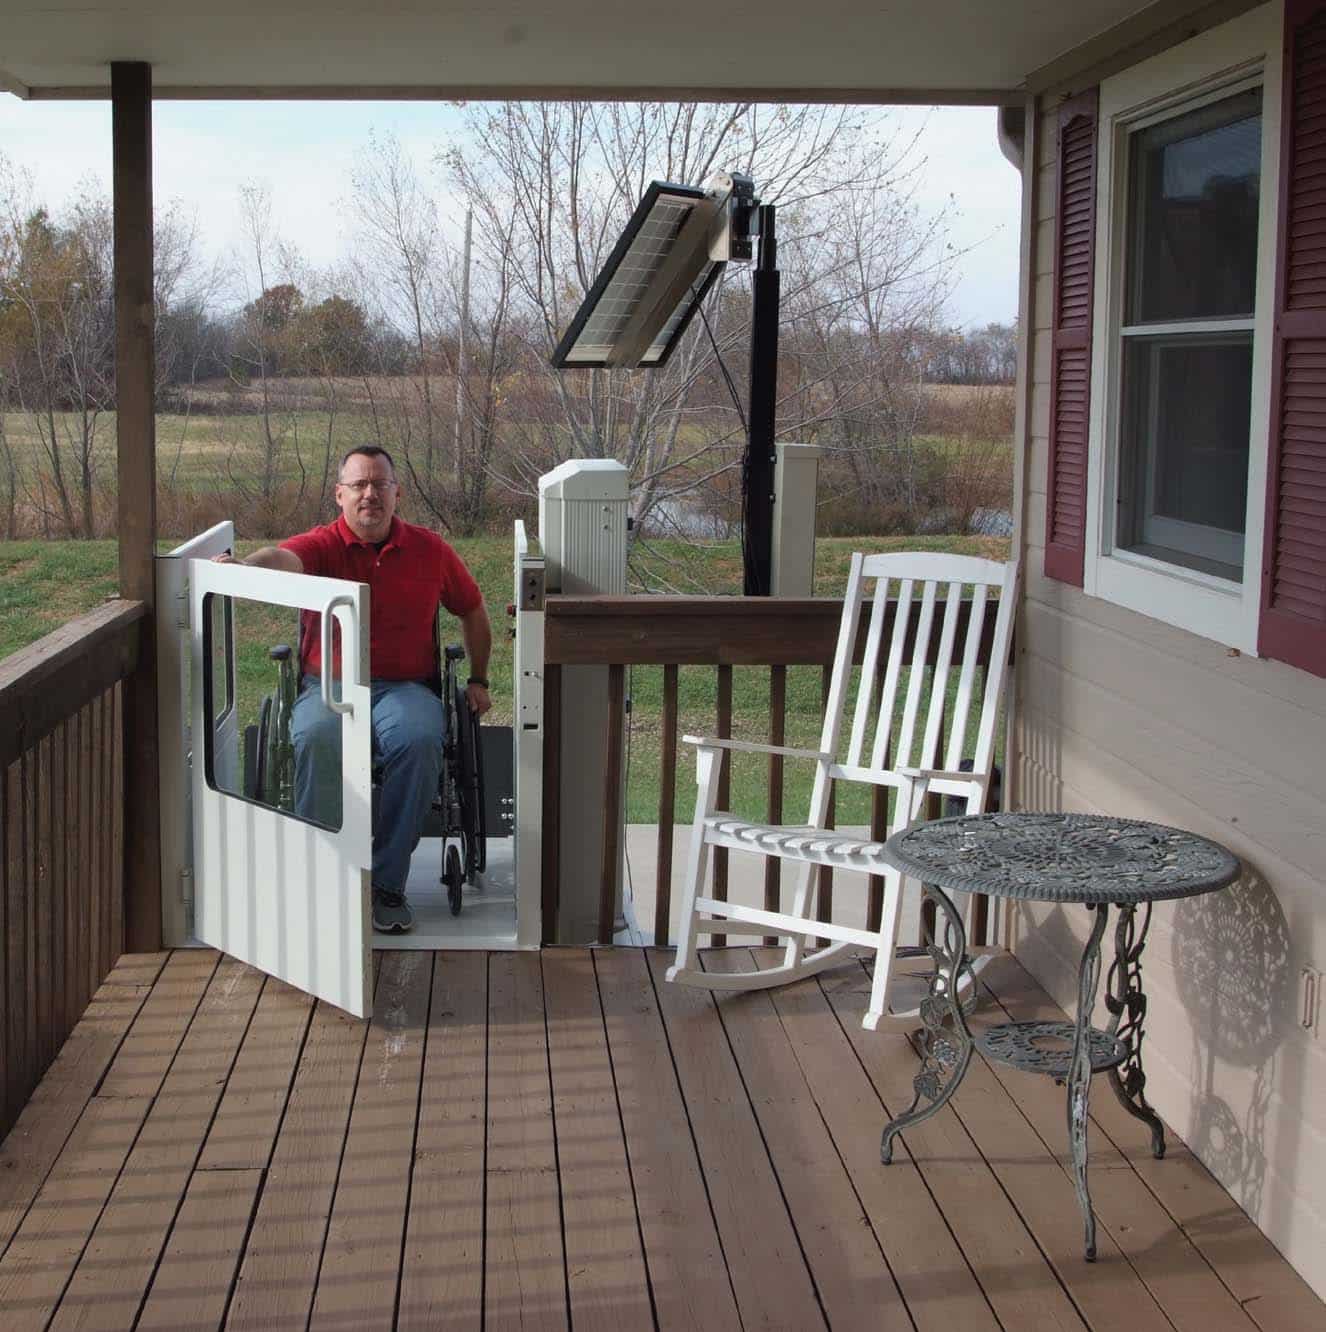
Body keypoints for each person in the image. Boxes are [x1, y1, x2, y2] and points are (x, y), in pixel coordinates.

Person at [215, 444, 492, 934]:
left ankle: (386, 882)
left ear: (396, 493)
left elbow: (472, 608)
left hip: (405, 688)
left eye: (380, 484)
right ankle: (323, 878)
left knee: (421, 740)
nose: (370, 494)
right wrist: (246, 568)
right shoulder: (321, 545)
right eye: (359, 485)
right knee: (317, 738)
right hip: (329, 687)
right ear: (339, 494)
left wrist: (477, 678)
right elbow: (281, 557)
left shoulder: (430, 550)